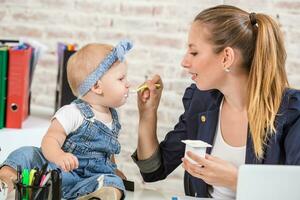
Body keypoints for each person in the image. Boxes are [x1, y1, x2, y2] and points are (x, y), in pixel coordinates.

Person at [131, 5, 300, 199]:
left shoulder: (292, 112)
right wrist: (147, 114)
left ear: (226, 58)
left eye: (194, 53)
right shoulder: (202, 102)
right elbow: (153, 171)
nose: (184, 62)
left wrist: (237, 181)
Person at [0, 39, 132, 200]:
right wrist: (59, 156)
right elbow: (50, 139)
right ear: (97, 87)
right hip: (56, 171)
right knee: (26, 154)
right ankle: (5, 180)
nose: (128, 84)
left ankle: (96, 196)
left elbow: (107, 153)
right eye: (121, 79)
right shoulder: (72, 112)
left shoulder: (113, 118)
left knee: (113, 182)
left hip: (87, 180)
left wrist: (114, 169)